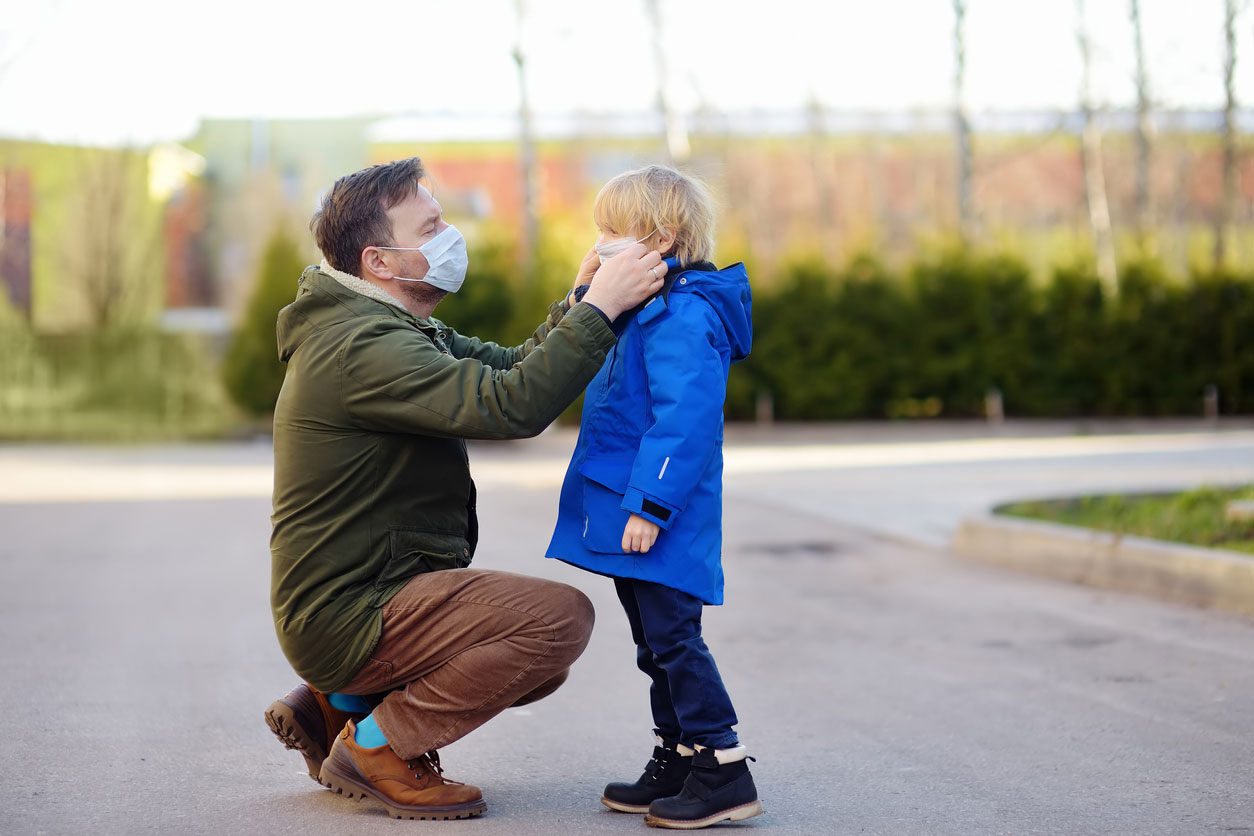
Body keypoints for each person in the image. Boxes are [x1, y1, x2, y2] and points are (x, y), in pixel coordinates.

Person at [263, 156, 667, 820]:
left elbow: (508, 367)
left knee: (537, 660)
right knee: (558, 621)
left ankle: (338, 704)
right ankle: (378, 745)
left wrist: (576, 302)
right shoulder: (363, 346)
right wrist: (602, 309)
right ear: (380, 261)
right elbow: (510, 406)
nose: (451, 235)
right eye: (431, 226)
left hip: (359, 599)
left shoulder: (388, 326)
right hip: (350, 613)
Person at [545, 165, 760, 829]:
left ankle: (722, 766)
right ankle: (677, 755)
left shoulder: (684, 314)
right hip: (632, 507)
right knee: (652, 642)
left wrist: (651, 504)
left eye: (614, 231)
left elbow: (684, 419)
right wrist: (585, 292)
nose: (602, 240)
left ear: (661, 238)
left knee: (674, 638)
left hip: (660, 514)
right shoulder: (643, 306)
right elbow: (575, 352)